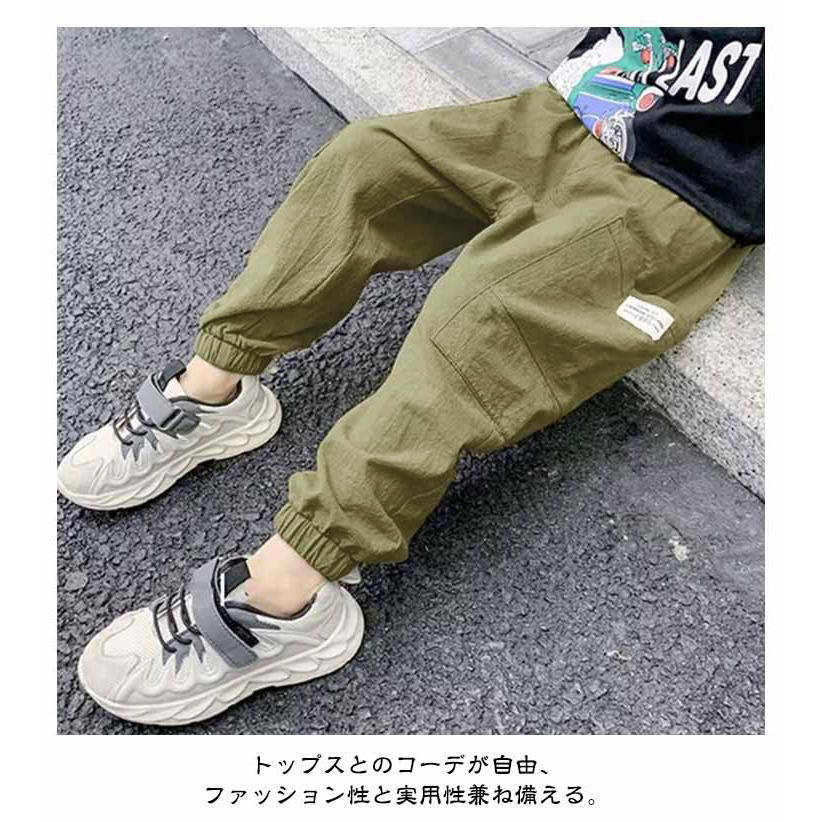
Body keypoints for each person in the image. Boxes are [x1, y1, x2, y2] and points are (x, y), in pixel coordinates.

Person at [58, 27, 765, 726]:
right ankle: (215, 388)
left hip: (688, 186)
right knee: (365, 162)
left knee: (484, 315)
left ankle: (289, 593)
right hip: (582, 106)